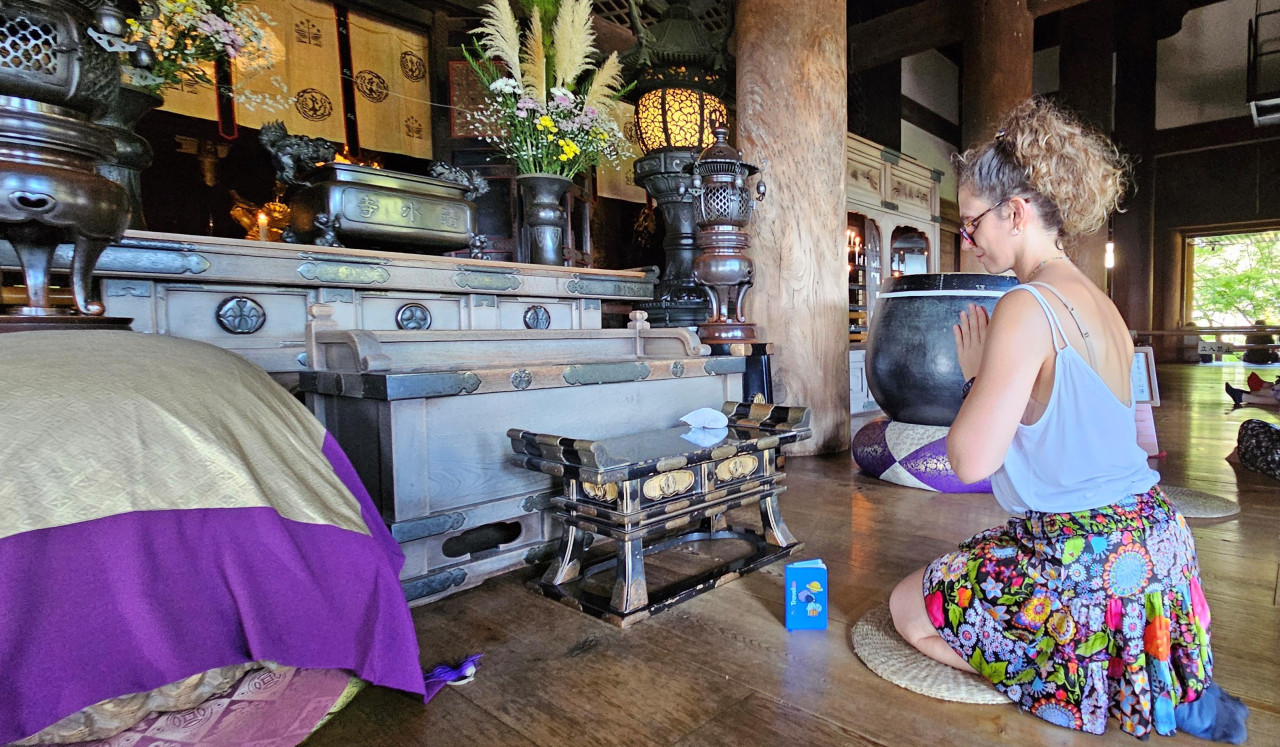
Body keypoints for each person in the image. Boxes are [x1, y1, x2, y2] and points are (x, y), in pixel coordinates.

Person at [888, 99, 1246, 741]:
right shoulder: (1100, 302)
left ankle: (1063, 673)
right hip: (1160, 547)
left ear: (1015, 213)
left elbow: (970, 461)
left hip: (1082, 555)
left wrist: (973, 375)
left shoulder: (1025, 306)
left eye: (971, 226)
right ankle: (1135, 668)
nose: (967, 243)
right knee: (975, 558)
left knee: (906, 606)